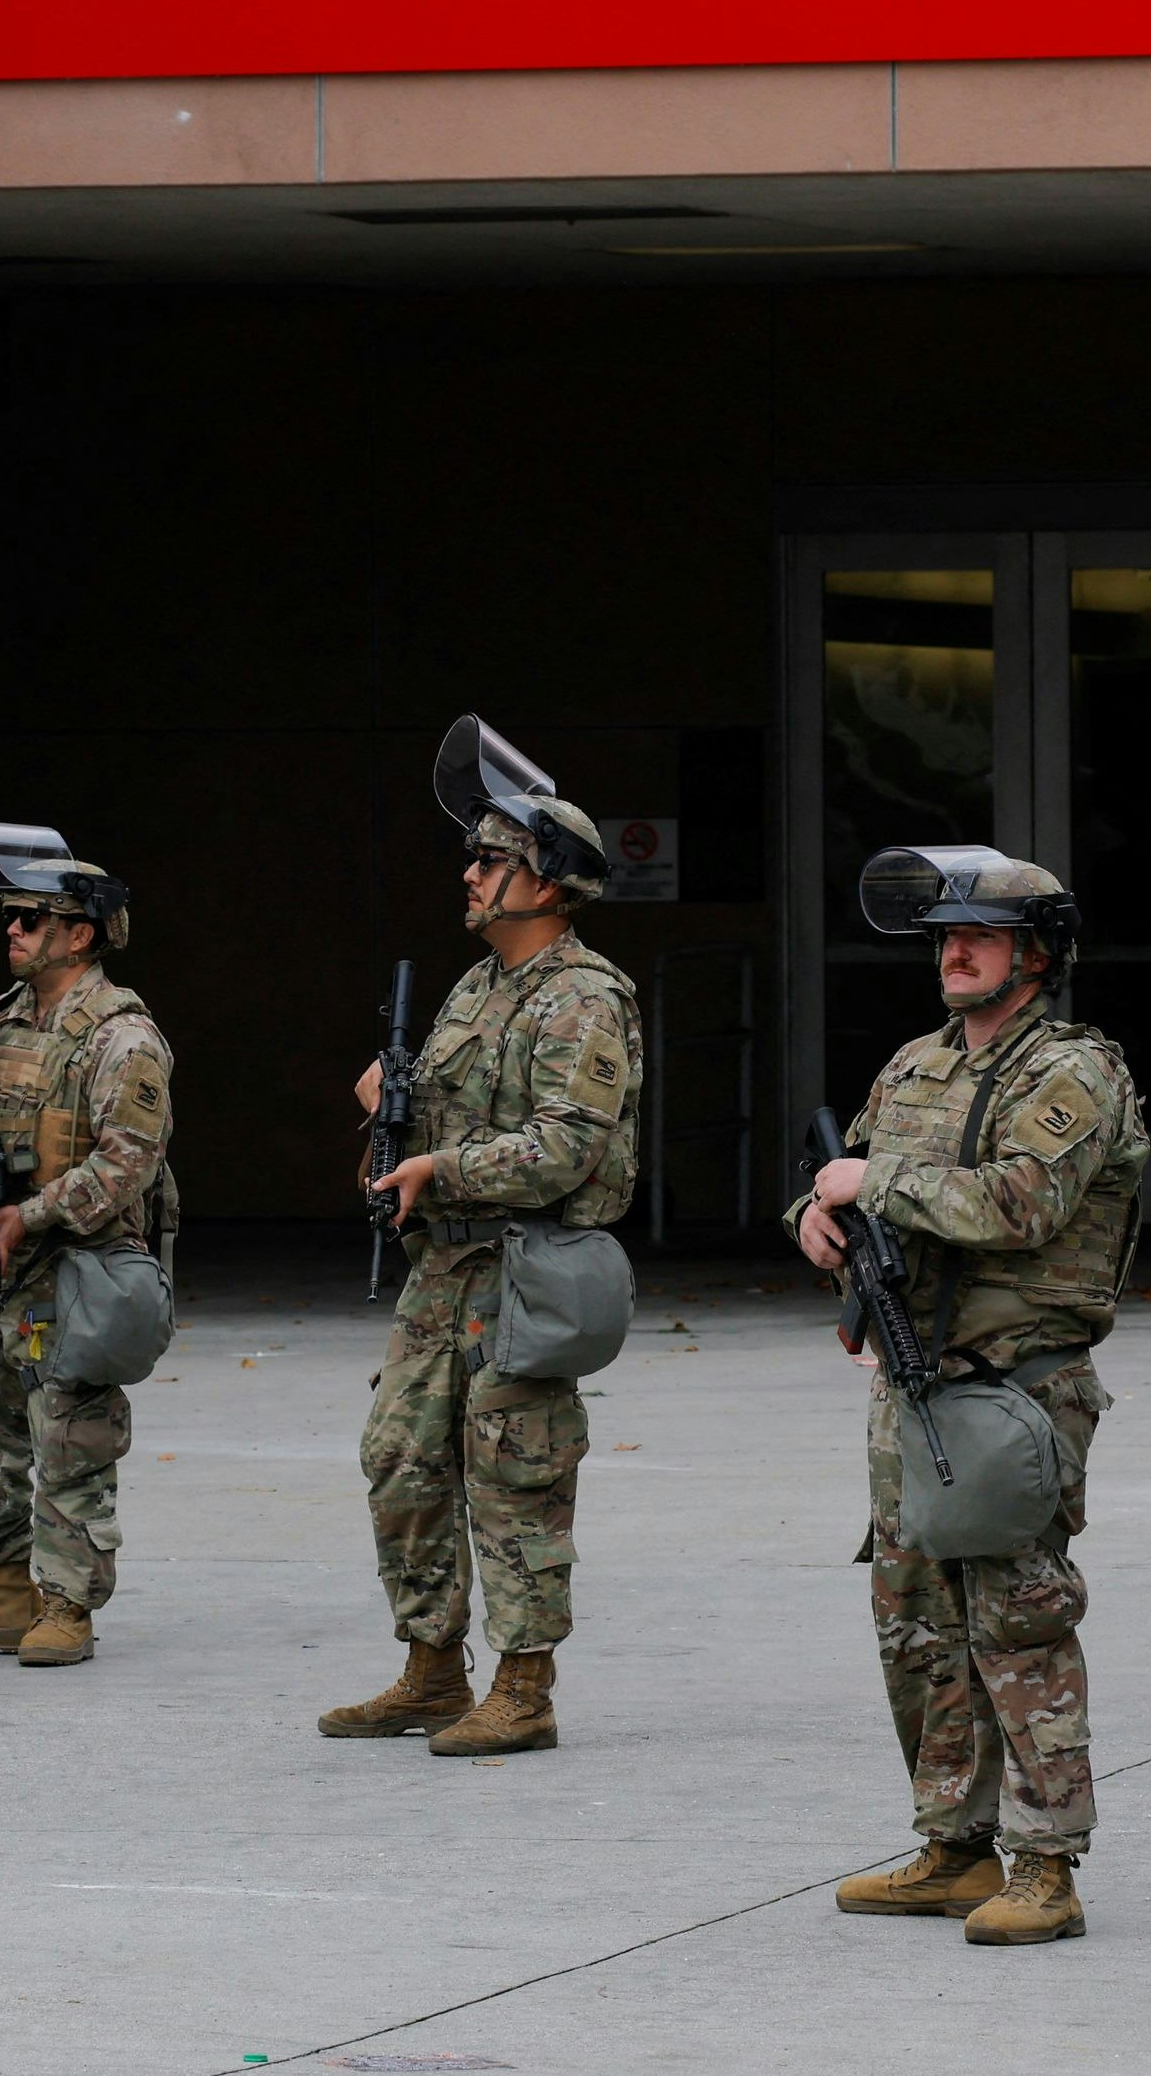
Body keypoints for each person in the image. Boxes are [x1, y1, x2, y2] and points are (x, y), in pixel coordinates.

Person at [789, 846, 1147, 1948]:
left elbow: (1019, 1205)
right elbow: (852, 1186)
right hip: (915, 1387)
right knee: (915, 1628)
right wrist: (815, 1221)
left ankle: (1045, 1864)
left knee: (1018, 1622)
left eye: (977, 936)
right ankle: (954, 1844)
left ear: (1034, 956)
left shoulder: (1074, 1073)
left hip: (1019, 1392)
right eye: (943, 936)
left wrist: (868, 1182)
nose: (952, 952)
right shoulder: (914, 1067)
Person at [325, 715, 642, 1757]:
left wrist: (438, 1167)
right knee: (401, 1459)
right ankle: (429, 1668)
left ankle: (522, 1685)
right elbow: (449, 1111)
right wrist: (391, 1124)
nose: (468, 874)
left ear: (547, 883)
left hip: (526, 1268)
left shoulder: (584, 999)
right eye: (472, 857)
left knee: (517, 1477)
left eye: (491, 860)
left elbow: (563, 1150)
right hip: (445, 1267)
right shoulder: (478, 988)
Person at [0, 823, 176, 1670]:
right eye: (10, 918)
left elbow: (128, 1163)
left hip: (77, 1262)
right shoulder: (1, 1021)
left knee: (69, 1438)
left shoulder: (122, 1037)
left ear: (78, 934)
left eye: (28, 918)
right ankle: (0, 1585)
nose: (10, 931)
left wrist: (37, 1213)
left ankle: (66, 1602)